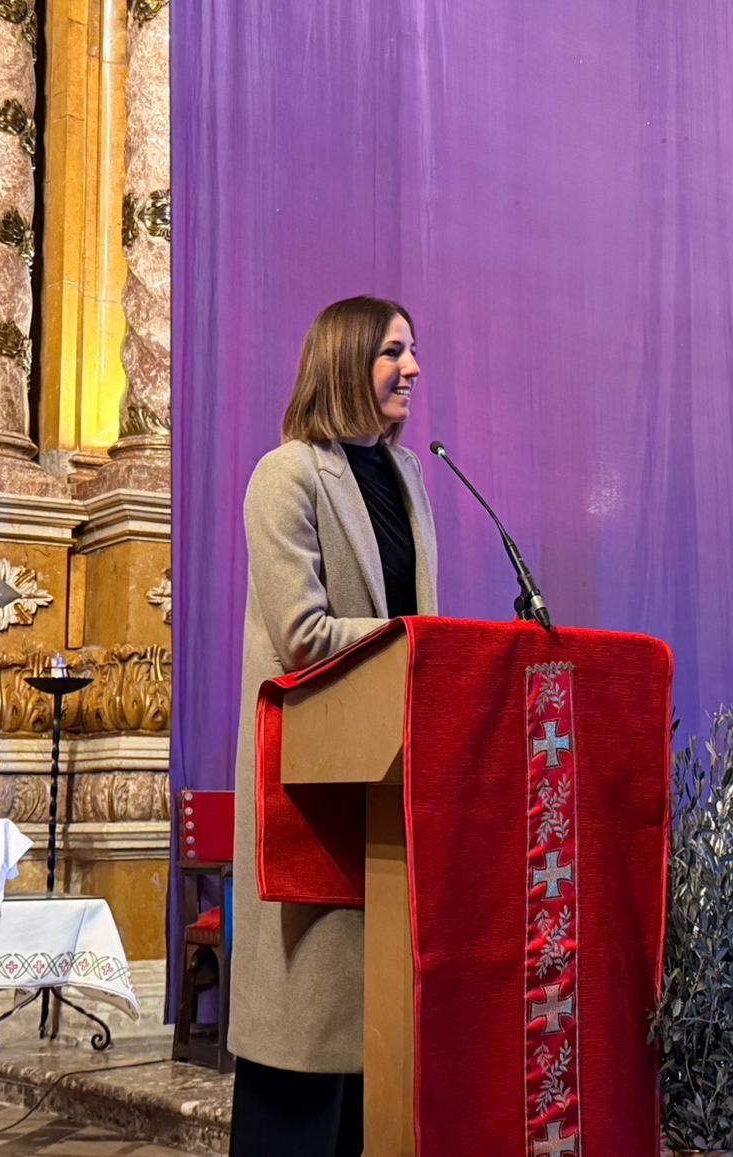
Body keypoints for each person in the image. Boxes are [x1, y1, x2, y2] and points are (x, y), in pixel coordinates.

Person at [228, 296, 438, 1155]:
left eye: (414, 350)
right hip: (312, 775)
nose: (414, 368)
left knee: (374, 1033)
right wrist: (427, 645)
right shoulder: (287, 474)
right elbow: (305, 635)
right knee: (309, 1028)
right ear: (348, 361)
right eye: (395, 350)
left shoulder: (409, 476)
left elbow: (409, 618)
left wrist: (433, 654)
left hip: (390, 775)